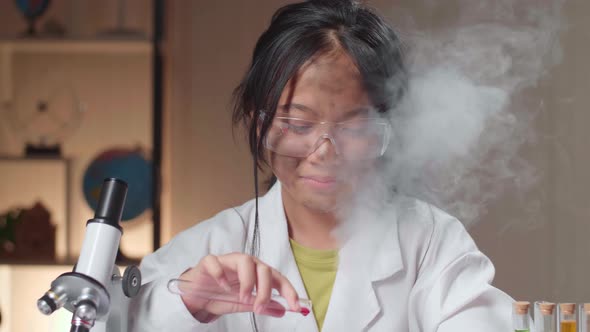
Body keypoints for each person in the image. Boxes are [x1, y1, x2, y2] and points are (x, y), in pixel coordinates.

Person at [128, 1, 513, 331]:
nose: (325, 152)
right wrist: (187, 303)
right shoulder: (213, 246)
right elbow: (109, 320)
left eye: (356, 126)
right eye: (297, 124)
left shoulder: (431, 243)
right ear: (258, 123)